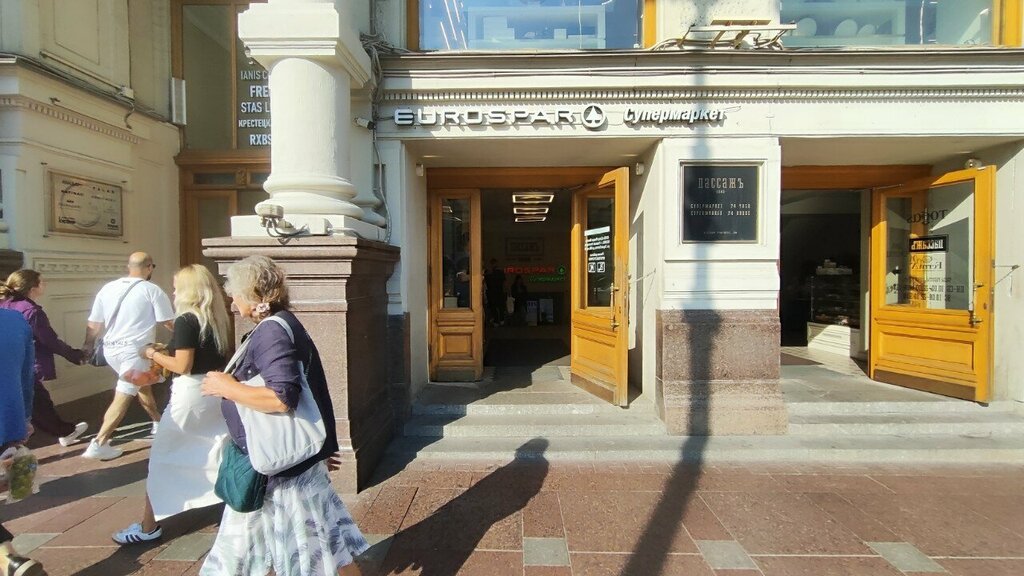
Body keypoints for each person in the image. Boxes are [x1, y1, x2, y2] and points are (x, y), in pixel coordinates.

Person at [200, 255, 367, 576]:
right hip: (281, 465)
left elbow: (282, 397)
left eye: (235, 294)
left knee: (311, 554)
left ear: (253, 295)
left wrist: (228, 387)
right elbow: (313, 387)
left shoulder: (271, 333)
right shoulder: (281, 324)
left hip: (279, 472)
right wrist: (321, 449)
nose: (233, 302)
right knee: (325, 550)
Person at [112, 264, 232, 545]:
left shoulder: (186, 319)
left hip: (189, 395)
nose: (173, 292)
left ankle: (148, 526)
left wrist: (150, 352)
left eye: (177, 287)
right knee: (214, 449)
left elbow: (183, 365)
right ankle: (227, 502)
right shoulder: (217, 318)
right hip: (212, 390)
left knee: (162, 458)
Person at [81, 252, 175, 460]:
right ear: (149, 267)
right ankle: (99, 442)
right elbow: (167, 321)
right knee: (123, 395)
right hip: (135, 352)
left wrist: (88, 345)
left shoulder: (107, 288)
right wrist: (187, 337)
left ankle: (157, 421)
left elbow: (94, 323)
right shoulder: (151, 290)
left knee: (142, 386)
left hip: (110, 349)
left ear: (128, 267)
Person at [0, 269, 89, 447]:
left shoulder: (6, 305)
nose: (45, 284)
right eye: (42, 282)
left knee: (32, 400)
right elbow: (49, 340)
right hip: (23, 363)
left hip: (8, 362)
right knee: (37, 400)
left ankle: (61, 431)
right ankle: (63, 432)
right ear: (33, 287)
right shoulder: (30, 311)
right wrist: (75, 355)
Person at [0, 308, 46, 576]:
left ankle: (8, 560)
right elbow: (27, 377)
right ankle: (9, 559)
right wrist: (24, 419)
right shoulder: (14, 320)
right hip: (7, 421)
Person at [484, 258, 506, 325]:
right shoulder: (500, 272)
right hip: (499, 291)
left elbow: (486, 282)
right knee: (500, 306)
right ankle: (501, 320)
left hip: (492, 292)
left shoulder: (488, 273)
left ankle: (496, 320)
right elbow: (504, 283)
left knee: (493, 307)